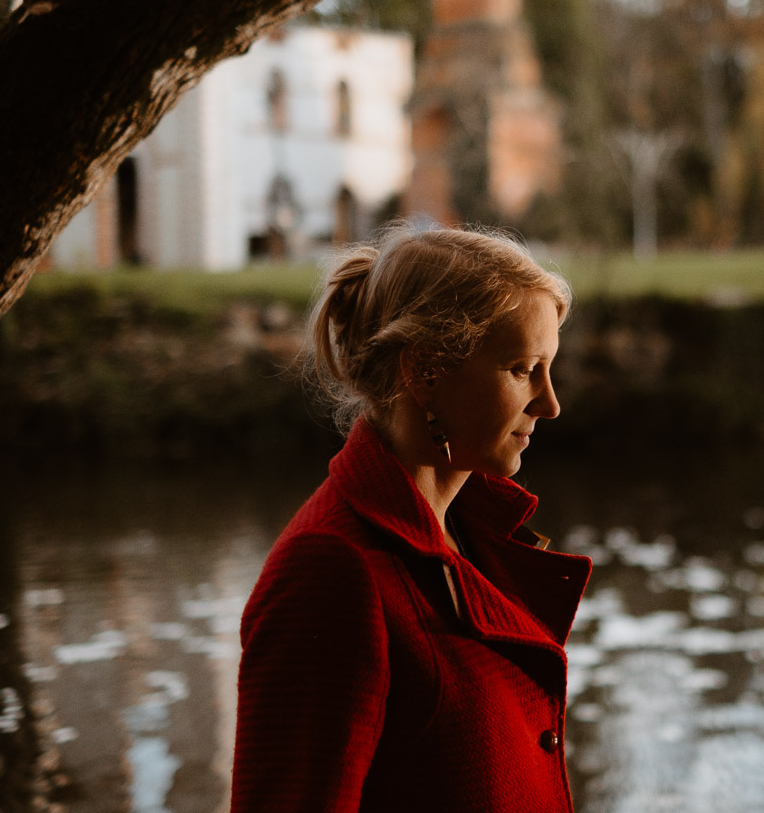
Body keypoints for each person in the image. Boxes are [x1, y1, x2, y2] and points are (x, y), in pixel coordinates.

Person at [231, 224, 591, 813]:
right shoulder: (331, 571)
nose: (550, 403)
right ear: (424, 371)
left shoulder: (471, 537)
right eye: (523, 368)